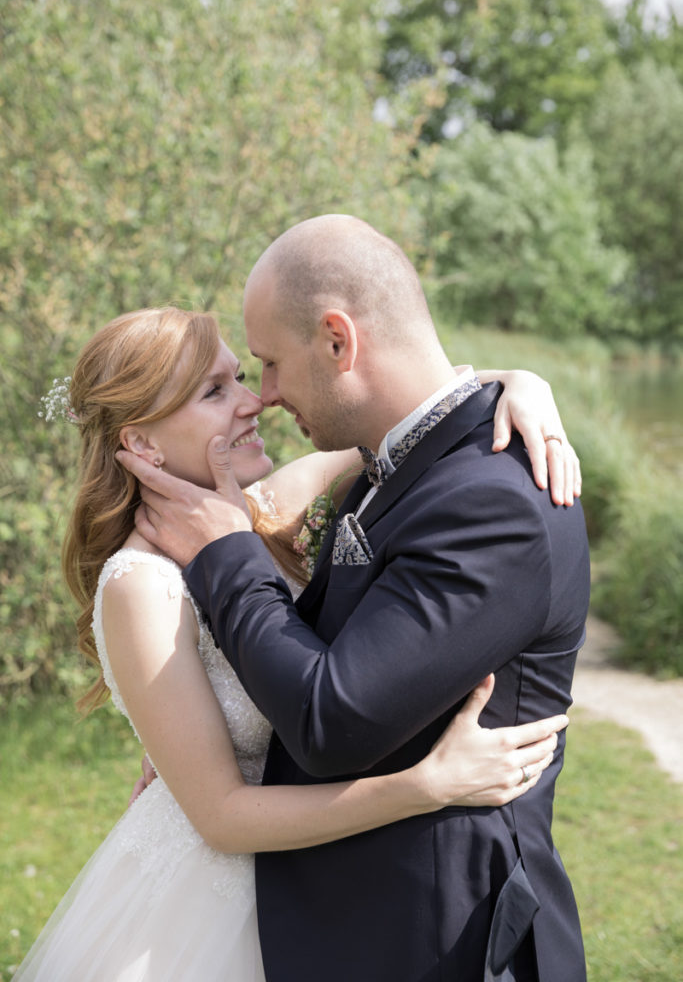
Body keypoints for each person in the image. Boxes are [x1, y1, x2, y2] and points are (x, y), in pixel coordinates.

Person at [15, 306, 572, 982]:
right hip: (211, 906)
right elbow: (221, 818)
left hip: (319, 887)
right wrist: (424, 786)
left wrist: (519, 379)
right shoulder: (142, 586)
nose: (254, 402)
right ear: (143, 443)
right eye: (214, 392)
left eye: (242, 376)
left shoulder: (261, 508)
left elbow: (403, 408)